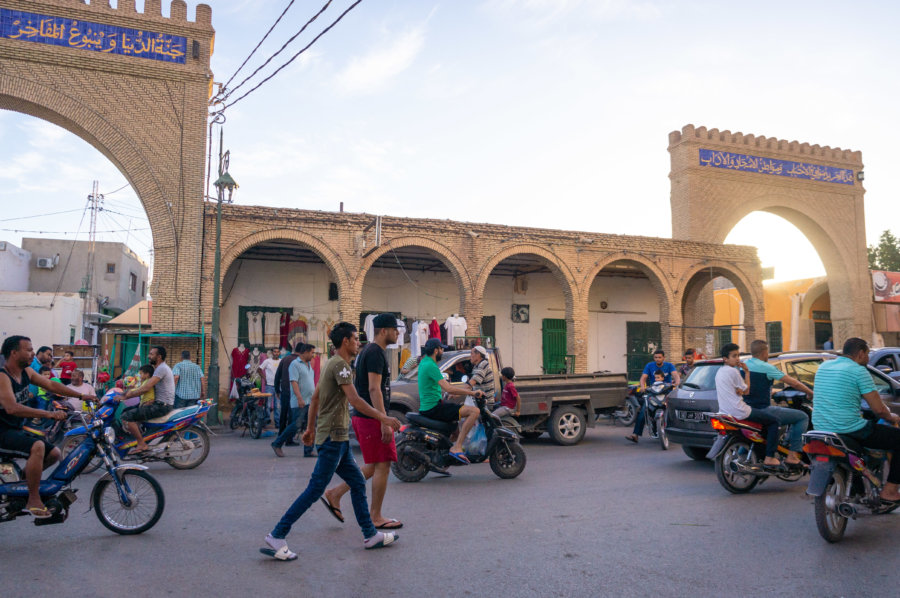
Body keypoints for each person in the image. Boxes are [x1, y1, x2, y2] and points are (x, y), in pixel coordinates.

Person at [262, 322, 402, 560]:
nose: (358, 343)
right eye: (355, 339)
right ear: (346, 341)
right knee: (315, 488)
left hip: (336, 437)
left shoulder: (333, 364)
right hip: (333, 438)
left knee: (357, 482)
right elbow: (356, 400)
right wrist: (384, 417)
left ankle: (370, 534)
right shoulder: (342, 367)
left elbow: (315, 397)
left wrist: (309, 429)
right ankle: (277, 534)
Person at [323, 314, 403, 530]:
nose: (397, 334)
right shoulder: (375, 352)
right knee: (383, 465)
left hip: (366, 418)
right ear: (384, 331)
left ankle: (335, 493)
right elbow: (373, 388)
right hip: (371, 418)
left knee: (373, 466)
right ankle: (376, 516)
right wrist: (384, 421)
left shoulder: (368, 351)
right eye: (395, 330)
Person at [0, 335, 85, 518]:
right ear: (14, 353)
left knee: (53, 453)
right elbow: (12, 408)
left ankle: (21, 486)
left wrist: (81, 396)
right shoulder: (3, 376)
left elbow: (50, 384)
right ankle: (32, 498)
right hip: (2, 432)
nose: (32, 353)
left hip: (14, 430)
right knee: (37, 447)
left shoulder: (27, 372)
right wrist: (48, 414)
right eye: (28, 349)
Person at [813, 337, 900, 502]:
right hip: (849, 428)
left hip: (820, 427)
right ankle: (890, 490)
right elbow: (879, 410)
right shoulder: (859, 371)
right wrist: (893, 416)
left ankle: (859, 483)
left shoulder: (824, 366)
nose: (867, 359)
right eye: (867, 355)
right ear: (860, 353)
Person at [745, 339, 812, 466]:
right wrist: (810, 393)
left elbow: (751, 387)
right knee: (802, 417)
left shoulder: (744, 365)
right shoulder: (767, 368)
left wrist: (771, 391)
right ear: (764, 352)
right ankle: (792, 455)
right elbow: (794, 383)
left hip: (746, 409)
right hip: (763, 409)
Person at [714, 343, 781, 467]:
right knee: (774, 422)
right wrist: (747, 372)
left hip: (725, 412)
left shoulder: (720, 372)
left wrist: (740, 390)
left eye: (738, 355)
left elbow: (737, 391)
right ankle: (770, 457)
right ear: (725, 359)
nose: (737, 358)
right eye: (734, 356)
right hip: (740, 411)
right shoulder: (734, 372)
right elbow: (747, 391)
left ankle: (760, 452)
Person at [417, 338, 484, 464]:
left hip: (431, 405)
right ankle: (457, 447)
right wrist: (471, 392)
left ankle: (444, 456)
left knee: (456, 428)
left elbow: (434, 386)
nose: (442, 351)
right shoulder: (431, 365)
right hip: (433, 408)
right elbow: (447, 387)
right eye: (441, 349)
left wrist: (449, 394)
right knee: (474, 411)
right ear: (436, 350)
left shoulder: (424, 362)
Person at [120, 346, 175, 453]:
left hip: (161, 406)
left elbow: (146, 388)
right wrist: (124, 393)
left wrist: (126, 396)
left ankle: (141, 444)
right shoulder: (158, 369)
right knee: (126, 411)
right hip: (157, 403)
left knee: (127, 416)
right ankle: (138, 437)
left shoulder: (161, 369)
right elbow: (142, 386)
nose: (148, 356)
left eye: (151, 354)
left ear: (159, 357)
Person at [626, 349, 681, 443]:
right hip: (653, 392)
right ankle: (635, 435)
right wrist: (643, 387)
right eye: (656, 357)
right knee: (644, 410)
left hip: (666, 392)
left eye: (659, 357)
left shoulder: (669, 366)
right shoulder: (649, 366)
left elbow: (675, 375)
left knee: (675, 410)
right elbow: (643, 378)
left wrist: (677, 383)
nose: (657, 359)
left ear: (663, 358)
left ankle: (679, 433)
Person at [271, 344, 315, 457]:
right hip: (300, 401)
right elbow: (294, 382)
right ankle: (277, 443)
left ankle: (308, 450)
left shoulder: (308, 364)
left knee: (310, 426)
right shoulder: (295, 364)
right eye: (311, 353)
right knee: (296, 425)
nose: (313, 355)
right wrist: (300, 398)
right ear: (305, 352)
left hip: (310, 401)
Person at [273, 343, 302, 438]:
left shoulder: (285, 359)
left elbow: (277, 376)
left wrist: (277, 390)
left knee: (283, 413)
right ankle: (289, 438)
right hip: (295, 391)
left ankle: (281, 435)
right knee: (292, 415)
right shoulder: (300, 361)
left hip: (284, 390)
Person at [261, 349, 281, 424]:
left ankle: (277, 422)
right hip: (269, 386)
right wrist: (264, 378)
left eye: (277, 352)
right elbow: (259, 369)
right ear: (272, 353)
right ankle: (267, 420)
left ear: (279, 353)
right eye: (275, 352)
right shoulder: (267, 361)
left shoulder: (281, 361)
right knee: (268, 405)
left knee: (278, 405)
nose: (276, 353)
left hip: (278, 386)